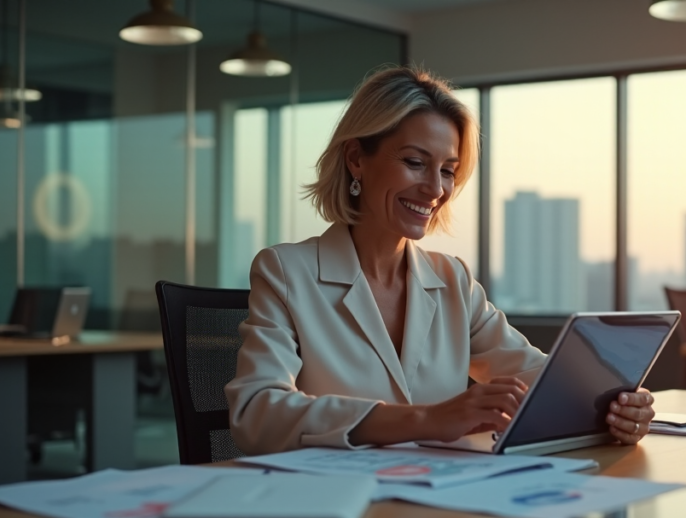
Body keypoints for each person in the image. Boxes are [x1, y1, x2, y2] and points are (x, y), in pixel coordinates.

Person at [225, 66, 656, 455]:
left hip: (438, 501)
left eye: (448, 170)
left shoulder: (451, 279)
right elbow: (257, 412)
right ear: (357, 159)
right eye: (415, 163)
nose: (435, 189)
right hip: (335, 509)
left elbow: (536, 378)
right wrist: (426, 418)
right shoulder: (285, 272)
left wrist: (612, 403)